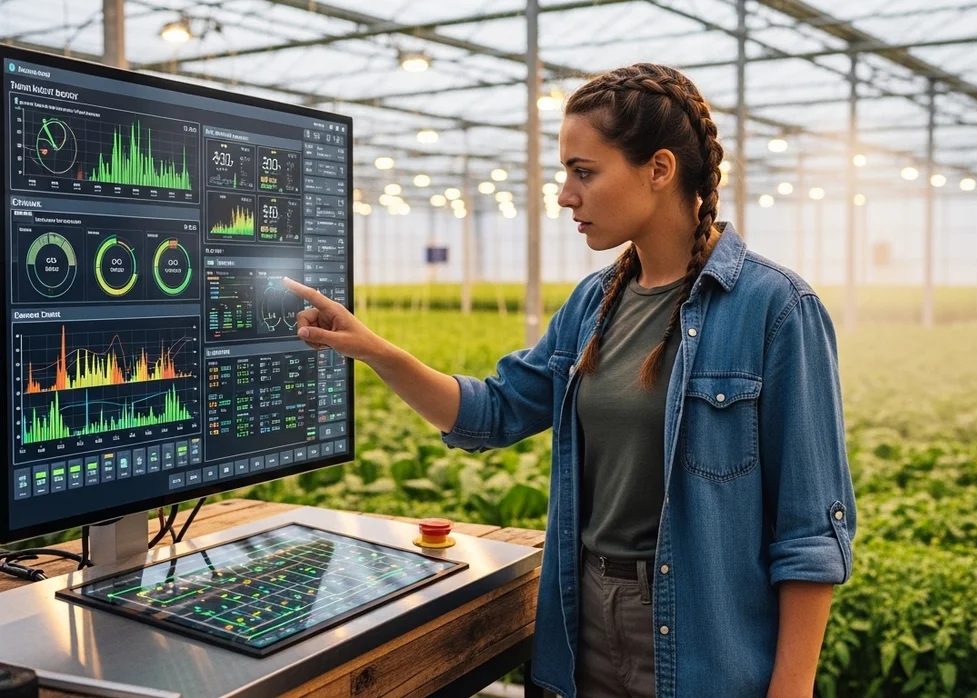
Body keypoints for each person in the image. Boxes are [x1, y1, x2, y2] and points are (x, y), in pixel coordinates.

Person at [283, 62, 856, 698]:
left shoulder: (774, 310)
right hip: (580, 624)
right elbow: (493, 411)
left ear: (659, 169)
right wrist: (373, 350)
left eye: (584, 172)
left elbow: (809, 535)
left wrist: (792, 689)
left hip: (700, 645)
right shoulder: (593, 305)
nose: (564, 195)